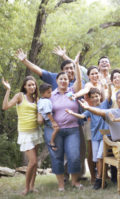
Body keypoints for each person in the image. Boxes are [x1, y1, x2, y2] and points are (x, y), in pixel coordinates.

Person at [43, 53, 83, 191]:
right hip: (56, 131)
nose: (63, 81)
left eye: (66, 79)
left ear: (68, 81)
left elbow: (80, 81)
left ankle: (75, 182)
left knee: (74, 156)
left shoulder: (73, 92)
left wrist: (76, 64)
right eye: (61, 79)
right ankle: (61, 185)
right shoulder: (51, 95)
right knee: (57, 156)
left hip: (73, 130)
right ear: (57, 80)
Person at [2, 76, 44, 195]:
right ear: (25, 86)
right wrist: (8, 90)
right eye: (29, 85)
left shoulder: (37, 99)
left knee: (35, 163)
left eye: (33, 85)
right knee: (33, 161)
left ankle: (32, 187)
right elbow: (5, 107)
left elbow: (40, 115)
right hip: (25, 133)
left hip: (36, 131)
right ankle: (26, 188)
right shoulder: (20, 96)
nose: (32, 87)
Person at [66, 86, 112, 190]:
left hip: (105, 136)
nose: (95, 98)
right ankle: (100, 179)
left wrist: (109, 86)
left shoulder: (104, 105)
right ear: (90, 99)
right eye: (93, 97)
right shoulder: (90, 109)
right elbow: (82, 116)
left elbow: (109, 96)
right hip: (95, 137)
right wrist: (72, 113)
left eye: (97, 96)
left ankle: (99, 179)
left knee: (100, 157)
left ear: (100, 97)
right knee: (96, 159)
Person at [37, 83, 59, 151]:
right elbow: (48, 113)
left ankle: (52, 141)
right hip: (48, 119)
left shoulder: (40, 100)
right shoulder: (46, 101)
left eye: (51, 92)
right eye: (48, 92)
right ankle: (52, 141)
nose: (51, 94)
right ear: (42, 93)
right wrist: (53, 121)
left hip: (46, 120)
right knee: (56, 128)